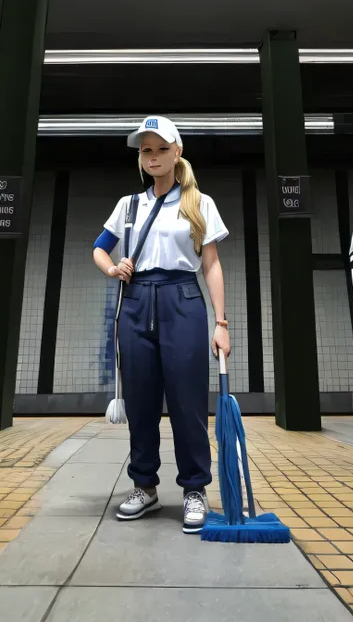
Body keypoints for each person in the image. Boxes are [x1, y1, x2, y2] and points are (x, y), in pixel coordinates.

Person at [93, 116, 231, 534]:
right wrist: (113, 268)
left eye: (160, 149)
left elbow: (211, 265)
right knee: (141, 402)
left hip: (183, 299)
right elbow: (99, 250)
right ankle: (144, 487)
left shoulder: (199, 203)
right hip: (135, 302)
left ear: (177, 152)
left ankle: (194, 489)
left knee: (187, 401)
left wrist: (221, 322)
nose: (152, 157)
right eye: (145, 150)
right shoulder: (128, 205)